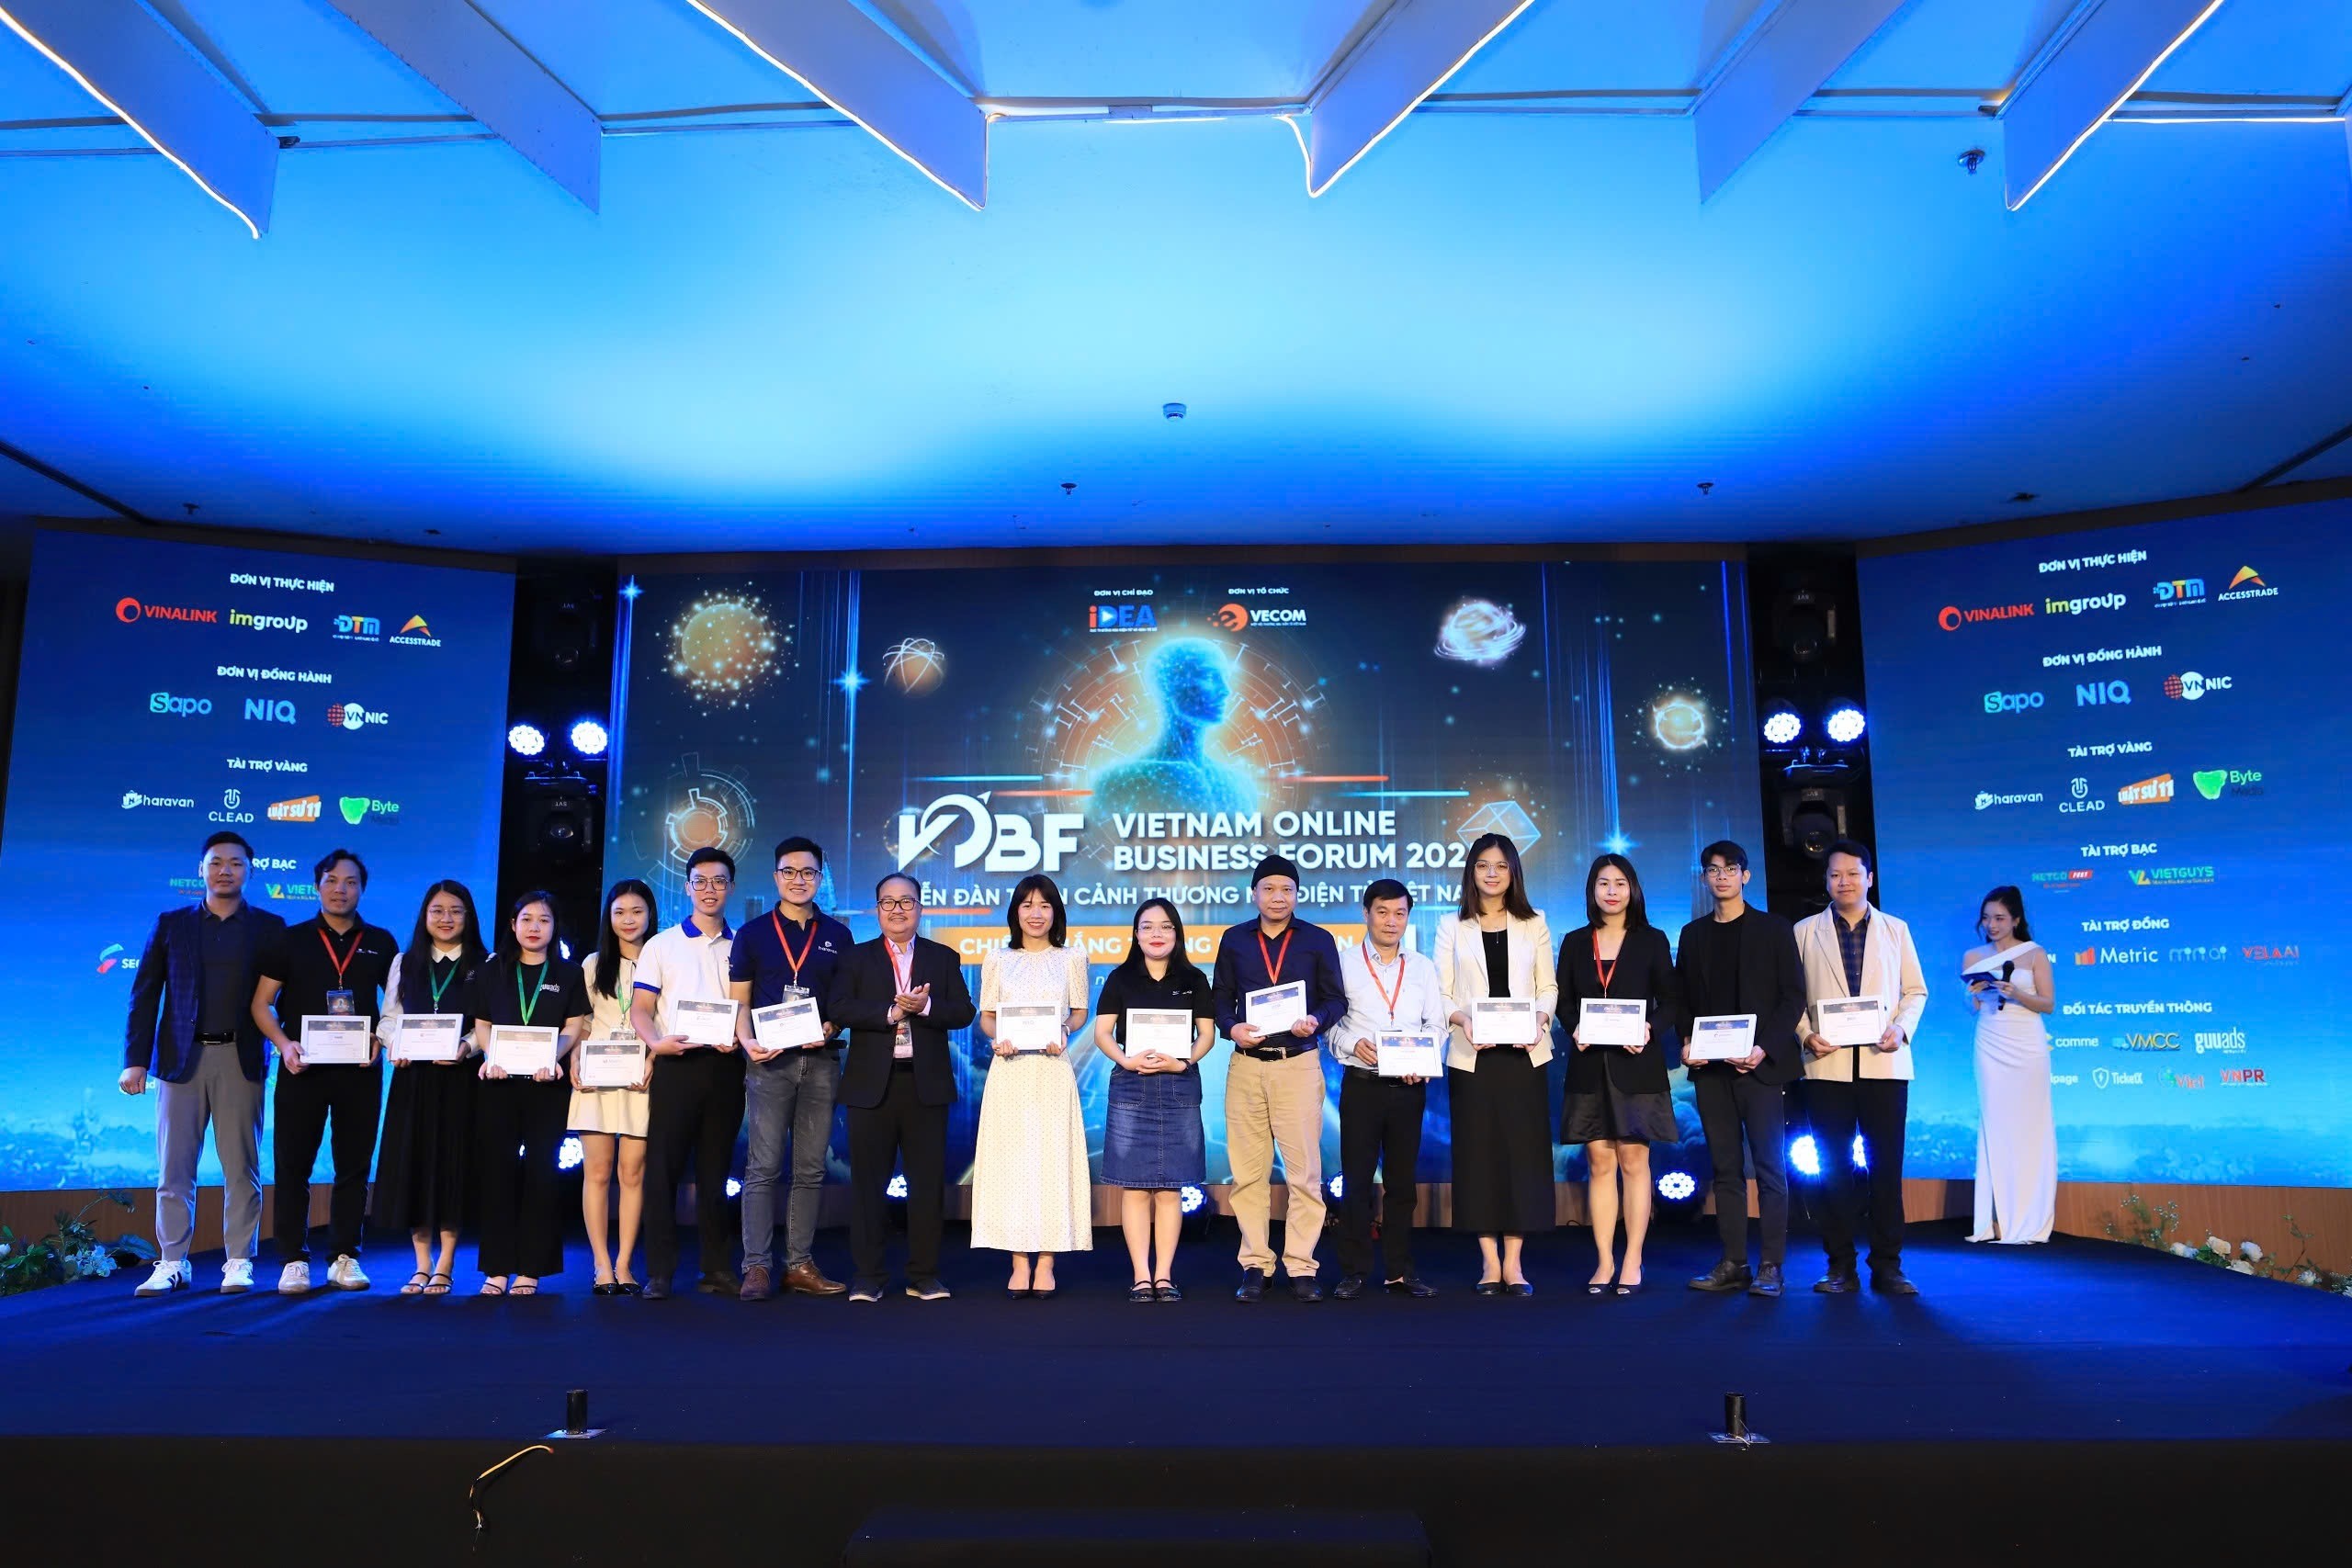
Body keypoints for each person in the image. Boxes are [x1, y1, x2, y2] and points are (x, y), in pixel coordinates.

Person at [121, 830, 288, 1297]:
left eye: (235, 863)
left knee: (242, 1167)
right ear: (201, 869)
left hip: (241, 1057)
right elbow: (144, 996)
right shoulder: (171, 924)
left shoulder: (270, 927)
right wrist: (135, 1061)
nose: (225, 870)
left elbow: (285, 997)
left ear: (249, 871)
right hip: (181, 1060)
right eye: (216, 862)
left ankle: (239, 1260)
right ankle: (173, 1261)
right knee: (174, 1169)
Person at [251, 849, 399, 1295]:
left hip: (359, 1070)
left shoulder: (381, 941)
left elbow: (397, 1005)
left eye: (351, 882)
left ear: (362, 889)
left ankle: (344, 1257)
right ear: (317, 886)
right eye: (332, 880)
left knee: (353, 1166)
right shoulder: (290, 939)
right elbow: (261, 1004)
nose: (341, 889)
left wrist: (380, 1041)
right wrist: (284, 1044)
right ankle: (293, 1260)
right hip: (303, 1069)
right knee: (292, 1166)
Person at [827, 872, 976, 1302]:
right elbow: (839, 1007)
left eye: (906, 901)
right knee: (867, 1186)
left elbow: (964, 1011)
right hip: (871, 1086)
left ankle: (923, 1275)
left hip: (925, 1086)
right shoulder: (855, 958)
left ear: (920, 908)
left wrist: (925, 1006)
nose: (898, 910)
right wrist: (890, 1013)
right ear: (877, 910)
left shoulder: (942, 957)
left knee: (926, 1186)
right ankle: (868, 1276)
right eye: (888, 902)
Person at [1795, 839, 1930, 1295]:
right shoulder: (1803, 932)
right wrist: (1804, 1034)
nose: (1844, 882)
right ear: (1826, 881)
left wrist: (1901, 1029)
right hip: (1826, 1064)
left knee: (1885, 1170)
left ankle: (1888, 1266)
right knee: (1832, 1171)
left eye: (1853, 873)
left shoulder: (1896, 929)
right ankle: (1840, 1266)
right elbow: (1790, 997)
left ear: (1870, 878)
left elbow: (1916, 991)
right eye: (1835, 875)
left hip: (1883, 1063)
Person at [1211, 853, 1348, 1303]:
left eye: (1286, 889)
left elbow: (1336, 999)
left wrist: (1316, 1020)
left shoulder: (1317, 940)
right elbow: (1220, 998)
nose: (1277, 897)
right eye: (1268, 888)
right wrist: (1231, 1027)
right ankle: (1256, 1265)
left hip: (1298, 1064)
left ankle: (1302, 1266)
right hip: (1247, 1065)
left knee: (1304, 1174)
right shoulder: (1234, 939)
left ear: (1297, 894)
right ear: (1254, 893)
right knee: (1248, 1175)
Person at [1676, 842, 1807, 1298]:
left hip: (1760, 1068)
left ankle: (1772, 1265)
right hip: (1711, 1071)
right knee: (1725, 1169)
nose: (1721, 876)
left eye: (1730, 869)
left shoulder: (1774, 929)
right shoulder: (1693, 935)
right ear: (1704, 878)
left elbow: (1793, 997)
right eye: (1712, 870)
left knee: (1770, 1168)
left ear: (1745, 876)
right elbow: (1682, 999)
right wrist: (1687, 1040)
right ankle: (1734, 1262)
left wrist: (1763, 1047)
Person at [726, 837, 854, 1300]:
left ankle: (799, 1264)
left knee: (810, 1169)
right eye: (790, 871)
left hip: (821, 1061)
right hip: (769, 1063)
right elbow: (739, 1002)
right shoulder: (753, 933)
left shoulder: (837, 935)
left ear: (820, 877)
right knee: (762, 1167)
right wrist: (747, 1043)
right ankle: (756, 1267)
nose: (799, 880)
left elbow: (843, 1001)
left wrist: (831, 1025)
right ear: (776, 876)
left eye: (808, 872)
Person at [1436, 833, 1558, 1296]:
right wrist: (1463, 1020)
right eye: (1484, 865)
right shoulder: (1452, 925)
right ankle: (1489, 1262)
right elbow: (1442, 992)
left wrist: (1540, 1020)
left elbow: (1547, 987)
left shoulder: (1534, 922)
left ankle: (1515, 1263)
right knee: (1479, 1157)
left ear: (1513, 872)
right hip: (1474, 1058)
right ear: (1471, 871)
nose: (1492, 873)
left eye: (1501, 865)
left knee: (1523, 1158)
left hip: (1524, 1056)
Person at [1558, 853, 1679, 1295]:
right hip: (1590, 1066)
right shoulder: (1575, 942)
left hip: (1637, 1065)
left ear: (1633, 889)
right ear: (1592, 890)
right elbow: (1563, 1000)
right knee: (1599, 1162)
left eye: (1620, 883)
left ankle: (1633, 1258)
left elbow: (1672, 1001)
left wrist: (1650, 1029)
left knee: (1634, 1161)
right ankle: (1605, 1260)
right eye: (1603, 883)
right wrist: (1574, 1027)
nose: (1612, 891)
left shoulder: (1652, 940)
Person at [629, 847, 747, 1301]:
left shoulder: (744, 944)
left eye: (718, 881)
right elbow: (641, 1009)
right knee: (663, 1171)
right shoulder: (662, 944)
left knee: (717, 1174)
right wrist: (656, 1043)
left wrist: (739, 1037)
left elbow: (746, 1007)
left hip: (725, 1067)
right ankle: (660, 1271)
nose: (709, 889)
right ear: (687, 887)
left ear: (731, 887)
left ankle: (716, 1268)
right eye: (700, 881)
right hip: (675, 1066)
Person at [972, 874, 1093, 1295]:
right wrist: (998, 1038)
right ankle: (1018, 1260)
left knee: (1051, 1163)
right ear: (1016, 912)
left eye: (1044, 905)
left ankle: (1047, 1261)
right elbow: (988, 1017)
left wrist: (1063, 1029)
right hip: (1010, 1071)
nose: (1036, 913)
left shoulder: (1072, 957)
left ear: (1056, 912)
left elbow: (1079, 1012)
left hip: (1052, 1069)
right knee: (1012, 1165)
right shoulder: (997, 959)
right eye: (1027, 905)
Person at [469, 891, 591, 1294]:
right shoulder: (492, 970)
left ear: (555, 927)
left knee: (542, 1173)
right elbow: (482, 1024)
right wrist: (491, 1056)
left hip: (546, 1085)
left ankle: (532, 1268)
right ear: (513, 924)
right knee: (497, 1174)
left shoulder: (569, 973)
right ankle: (496, 1268)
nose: (534, 927)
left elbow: (573, 1026)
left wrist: (553, 1057)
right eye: (526, 919)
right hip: (499, 1084)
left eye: (543, 920)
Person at [1330, 878, 1446, 1301]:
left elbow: (1436, 1024)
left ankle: (1399, 1271)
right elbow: (1329, 1025)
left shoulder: (1422, 967)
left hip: (1408, 1088)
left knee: (1402, 1184)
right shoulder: (1343, 964)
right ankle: (1354, 1272)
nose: (1391, 921)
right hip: (1362, 1085)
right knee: (1356, 1181)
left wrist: (1424, 1060)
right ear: (1366, 914)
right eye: (1382, 912)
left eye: (1399, 913)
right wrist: (1351, 1044)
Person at [1094, 898, 1216, 1302]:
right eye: (1147, 927)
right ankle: (1141, 1276)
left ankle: (1164, 1276)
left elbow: (1207, 1035)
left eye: (1165, 926)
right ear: (1136, 934)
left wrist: (1185, 1062)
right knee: (1134, 1188)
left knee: (1169, 1189)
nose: (1156, 934)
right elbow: (1102, 1033)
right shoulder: (1120, 978)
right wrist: (1126, 1060)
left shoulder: (1194, 979)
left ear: (1177, 933)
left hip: (1179, 1085)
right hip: (1132, 1085)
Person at [372, 880, 487, 1297]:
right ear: (425, 916)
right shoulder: (405, 962)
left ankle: (446, 1263)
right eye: (437, 910)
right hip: (414, 1080)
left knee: (453, 1166)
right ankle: (421, 1264)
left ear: (468, 916)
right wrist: (395, 1044)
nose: (446, 918)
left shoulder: (486, 962)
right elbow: (389, 1019)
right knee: (415, 1165)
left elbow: (488, 1024)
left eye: (455, 911)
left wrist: (466, 1047)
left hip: (460, 1080)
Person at [571, 879, 656, 1295]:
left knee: (632, 1172)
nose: (628, 920)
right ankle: (601, 1264)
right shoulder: (593, 963)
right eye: (619, 912)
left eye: (637, 911)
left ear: (650, 915)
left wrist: (654, 1059)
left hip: (641, 1075)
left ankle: (624, 1263)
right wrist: (575, 1059)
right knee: (598, 1171)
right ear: (609, 916)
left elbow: (667, 1020)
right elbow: (582, 1023)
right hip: (598, 1076)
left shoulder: (660, 958)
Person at [1964, 885, 2055, 1246]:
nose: (1992, 925)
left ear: (2016, 919)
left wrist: (2017, 993)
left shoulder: (2034, 954)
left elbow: (2048, 1004)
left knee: (2029, 1126)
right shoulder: (1973, 956)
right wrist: (1974, 994)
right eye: (1987, 918)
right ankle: (1996, 1217)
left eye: (2000, 918)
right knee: (1996, 1124)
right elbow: (1971, 1008)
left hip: (2027, 1043)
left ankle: (2028, 1217)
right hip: (1990, 1041)